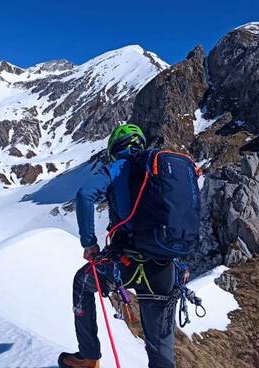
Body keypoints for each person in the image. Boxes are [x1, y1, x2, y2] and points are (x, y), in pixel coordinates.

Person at [58, 124, 179, 368]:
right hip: (163, 266)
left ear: (114, 148)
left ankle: (89, 357)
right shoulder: (160, 171)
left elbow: (84, 195)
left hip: (126, 263)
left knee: (82, 284)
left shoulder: (117, 167)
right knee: (160, 348)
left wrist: (89, 243)